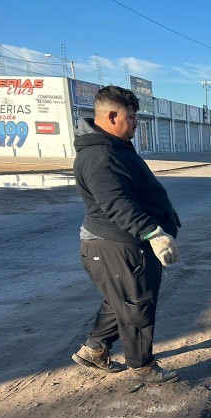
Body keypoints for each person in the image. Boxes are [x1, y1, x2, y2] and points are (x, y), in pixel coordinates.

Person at [71, 85, 181, 385]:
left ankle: (95, 350)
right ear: (111, 116)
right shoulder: (101, 156)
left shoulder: (113, 148)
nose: (135, 124)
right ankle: (141, 367)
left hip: (115, 244)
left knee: (120, 300)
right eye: (131, 118)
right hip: (116, 245)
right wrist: (153, 233)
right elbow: (116, 204)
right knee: (137, 305)